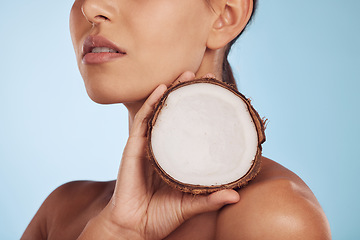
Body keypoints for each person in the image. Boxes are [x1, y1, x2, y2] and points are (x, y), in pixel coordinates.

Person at [21, 0, 331, 239]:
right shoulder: (60, 211)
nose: (90, 7)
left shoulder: (273, 218)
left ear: (225, 15)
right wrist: (116, 232)